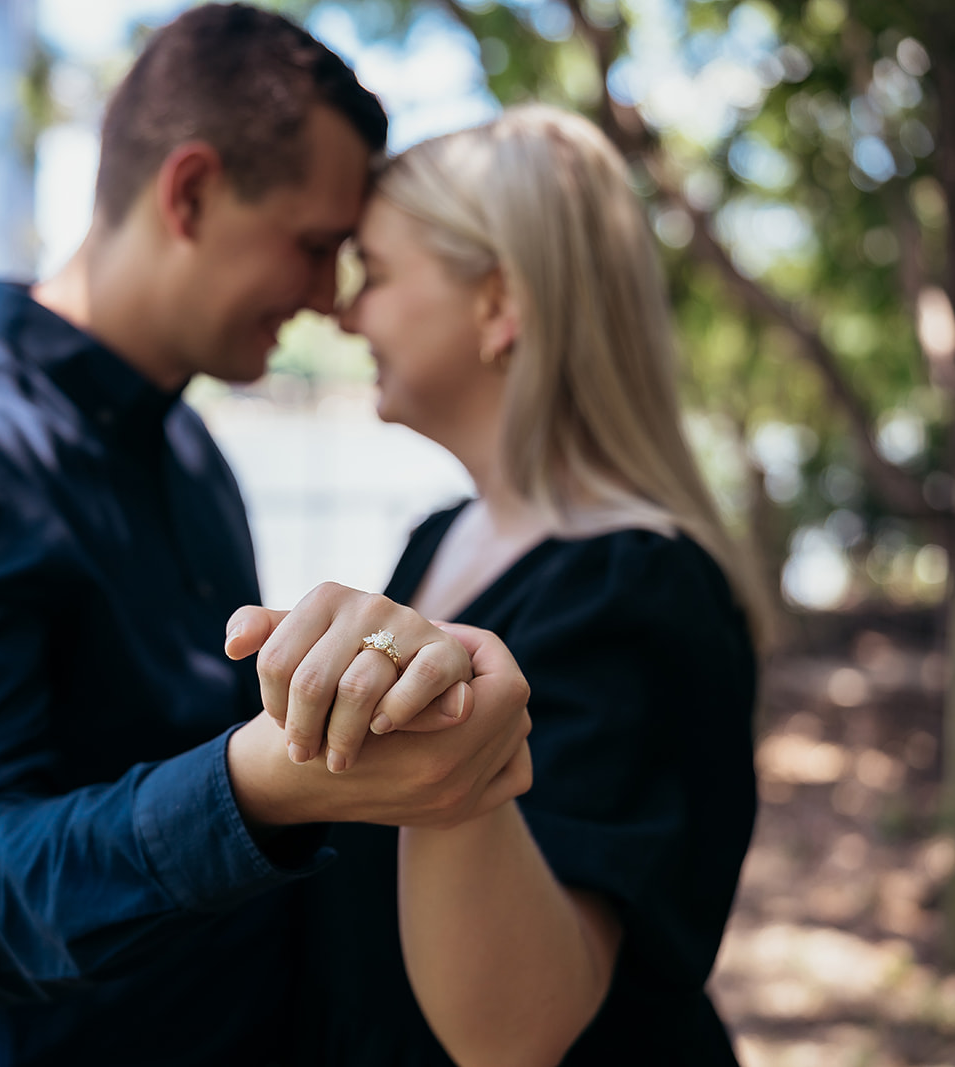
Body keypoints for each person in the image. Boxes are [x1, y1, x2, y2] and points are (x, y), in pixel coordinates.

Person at [0, 6, 531, 1066]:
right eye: (315, 248)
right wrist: (262, 784)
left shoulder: (188, 452)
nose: (331, 300)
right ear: (188, 191)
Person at [227, 106, 766, 1065]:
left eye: (377, 274)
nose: (346, 313)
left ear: (499, 303)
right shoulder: (439, 535)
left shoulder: (644, 589)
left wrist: (453, 760)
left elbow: (519, 1035)